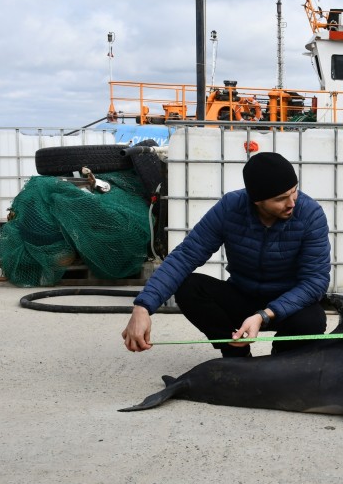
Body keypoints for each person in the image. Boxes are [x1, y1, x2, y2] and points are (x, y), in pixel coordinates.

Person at [122, 151, 331, 357]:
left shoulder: (310, 214)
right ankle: (235, 354)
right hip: (242, 296)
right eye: (281, 198)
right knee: (189, 288)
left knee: (313, 319)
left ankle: (281, 359)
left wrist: (264, 316)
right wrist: (142, 307)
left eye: (294, 191)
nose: (292, 202)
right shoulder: (231, 207)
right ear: (256, 200)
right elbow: (185, 256)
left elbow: (315, 281)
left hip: (286, 303)